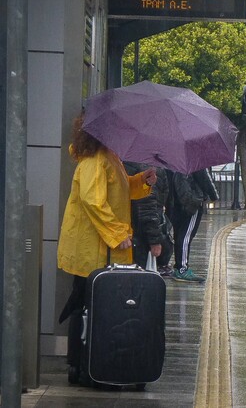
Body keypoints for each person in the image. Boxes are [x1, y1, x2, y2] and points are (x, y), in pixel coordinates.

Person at [57, 113, 156, 383]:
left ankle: (91, 360)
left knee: (93, 304)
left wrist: (142, 181)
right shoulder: (94, 158)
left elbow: (121, 191)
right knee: (84, 304)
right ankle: (79, 364)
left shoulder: (109, 155)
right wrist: (117, 233)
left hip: (105, 249)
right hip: (93, 249)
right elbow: (92, 200)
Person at [124, 161, 174, 277]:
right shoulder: (150, 168)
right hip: (139, 237)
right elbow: (149, 207)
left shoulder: (123, 164)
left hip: (128, 234)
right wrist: (155, 240)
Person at [168, 169, 219, 282]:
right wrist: (213, 195)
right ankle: (182, 269)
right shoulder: (194, 159)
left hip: (175, 202)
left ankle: (179, 267)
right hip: (191, 201)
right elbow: (203, 177)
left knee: (179, 235)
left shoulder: (171, 159)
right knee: (186, 236)